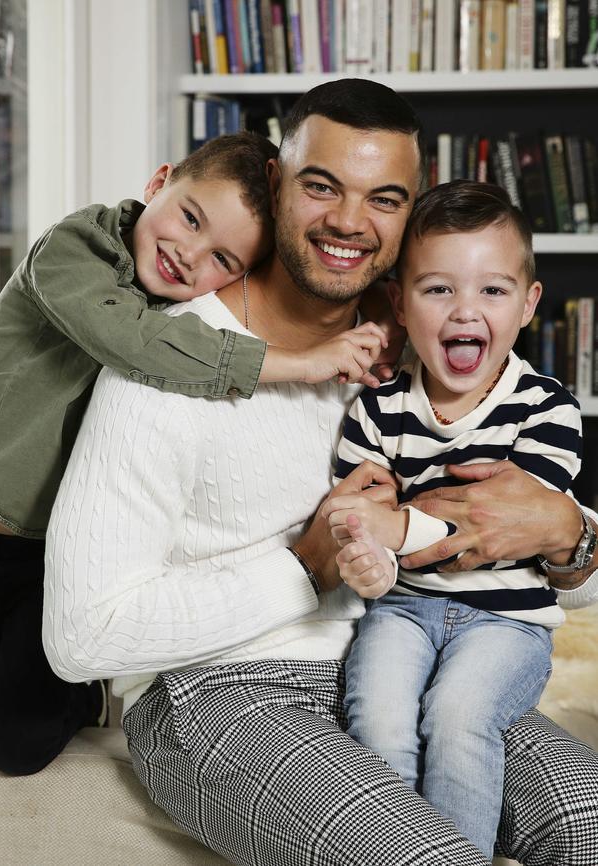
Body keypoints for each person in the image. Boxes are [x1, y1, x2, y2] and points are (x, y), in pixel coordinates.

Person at [43, 80, 598, 866]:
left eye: (384, 198)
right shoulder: (164, 364)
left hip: (407, 657)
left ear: (413, 218)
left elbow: (521, 542)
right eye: (321, 186)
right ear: (275, 184)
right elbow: (78, 637)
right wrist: (304, 566)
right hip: (222, 692)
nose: (347, 221)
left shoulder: (427, 336)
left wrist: (572, 531)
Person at [0, 130, 390, 776]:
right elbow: (130, 340)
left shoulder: (187, 317)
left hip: (53, 564)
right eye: (189, 218)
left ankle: (81, 695)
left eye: (224, 259)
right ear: (158, 183)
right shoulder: (74, 249)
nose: (189, 255)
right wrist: (299, 362)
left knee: (13, 745)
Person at [322, 180, 586, 859]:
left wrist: (394, 522)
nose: (465, 311)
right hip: (401, 613)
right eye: (439, 290)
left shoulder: (547, 409)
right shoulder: (377, 411)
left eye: (492, 291)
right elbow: (358, 520)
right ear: (400, 305)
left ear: (529, 304)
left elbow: (504, 516)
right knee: (377, 719)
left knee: (458, 716)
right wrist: (368, 544)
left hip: (506, 623)